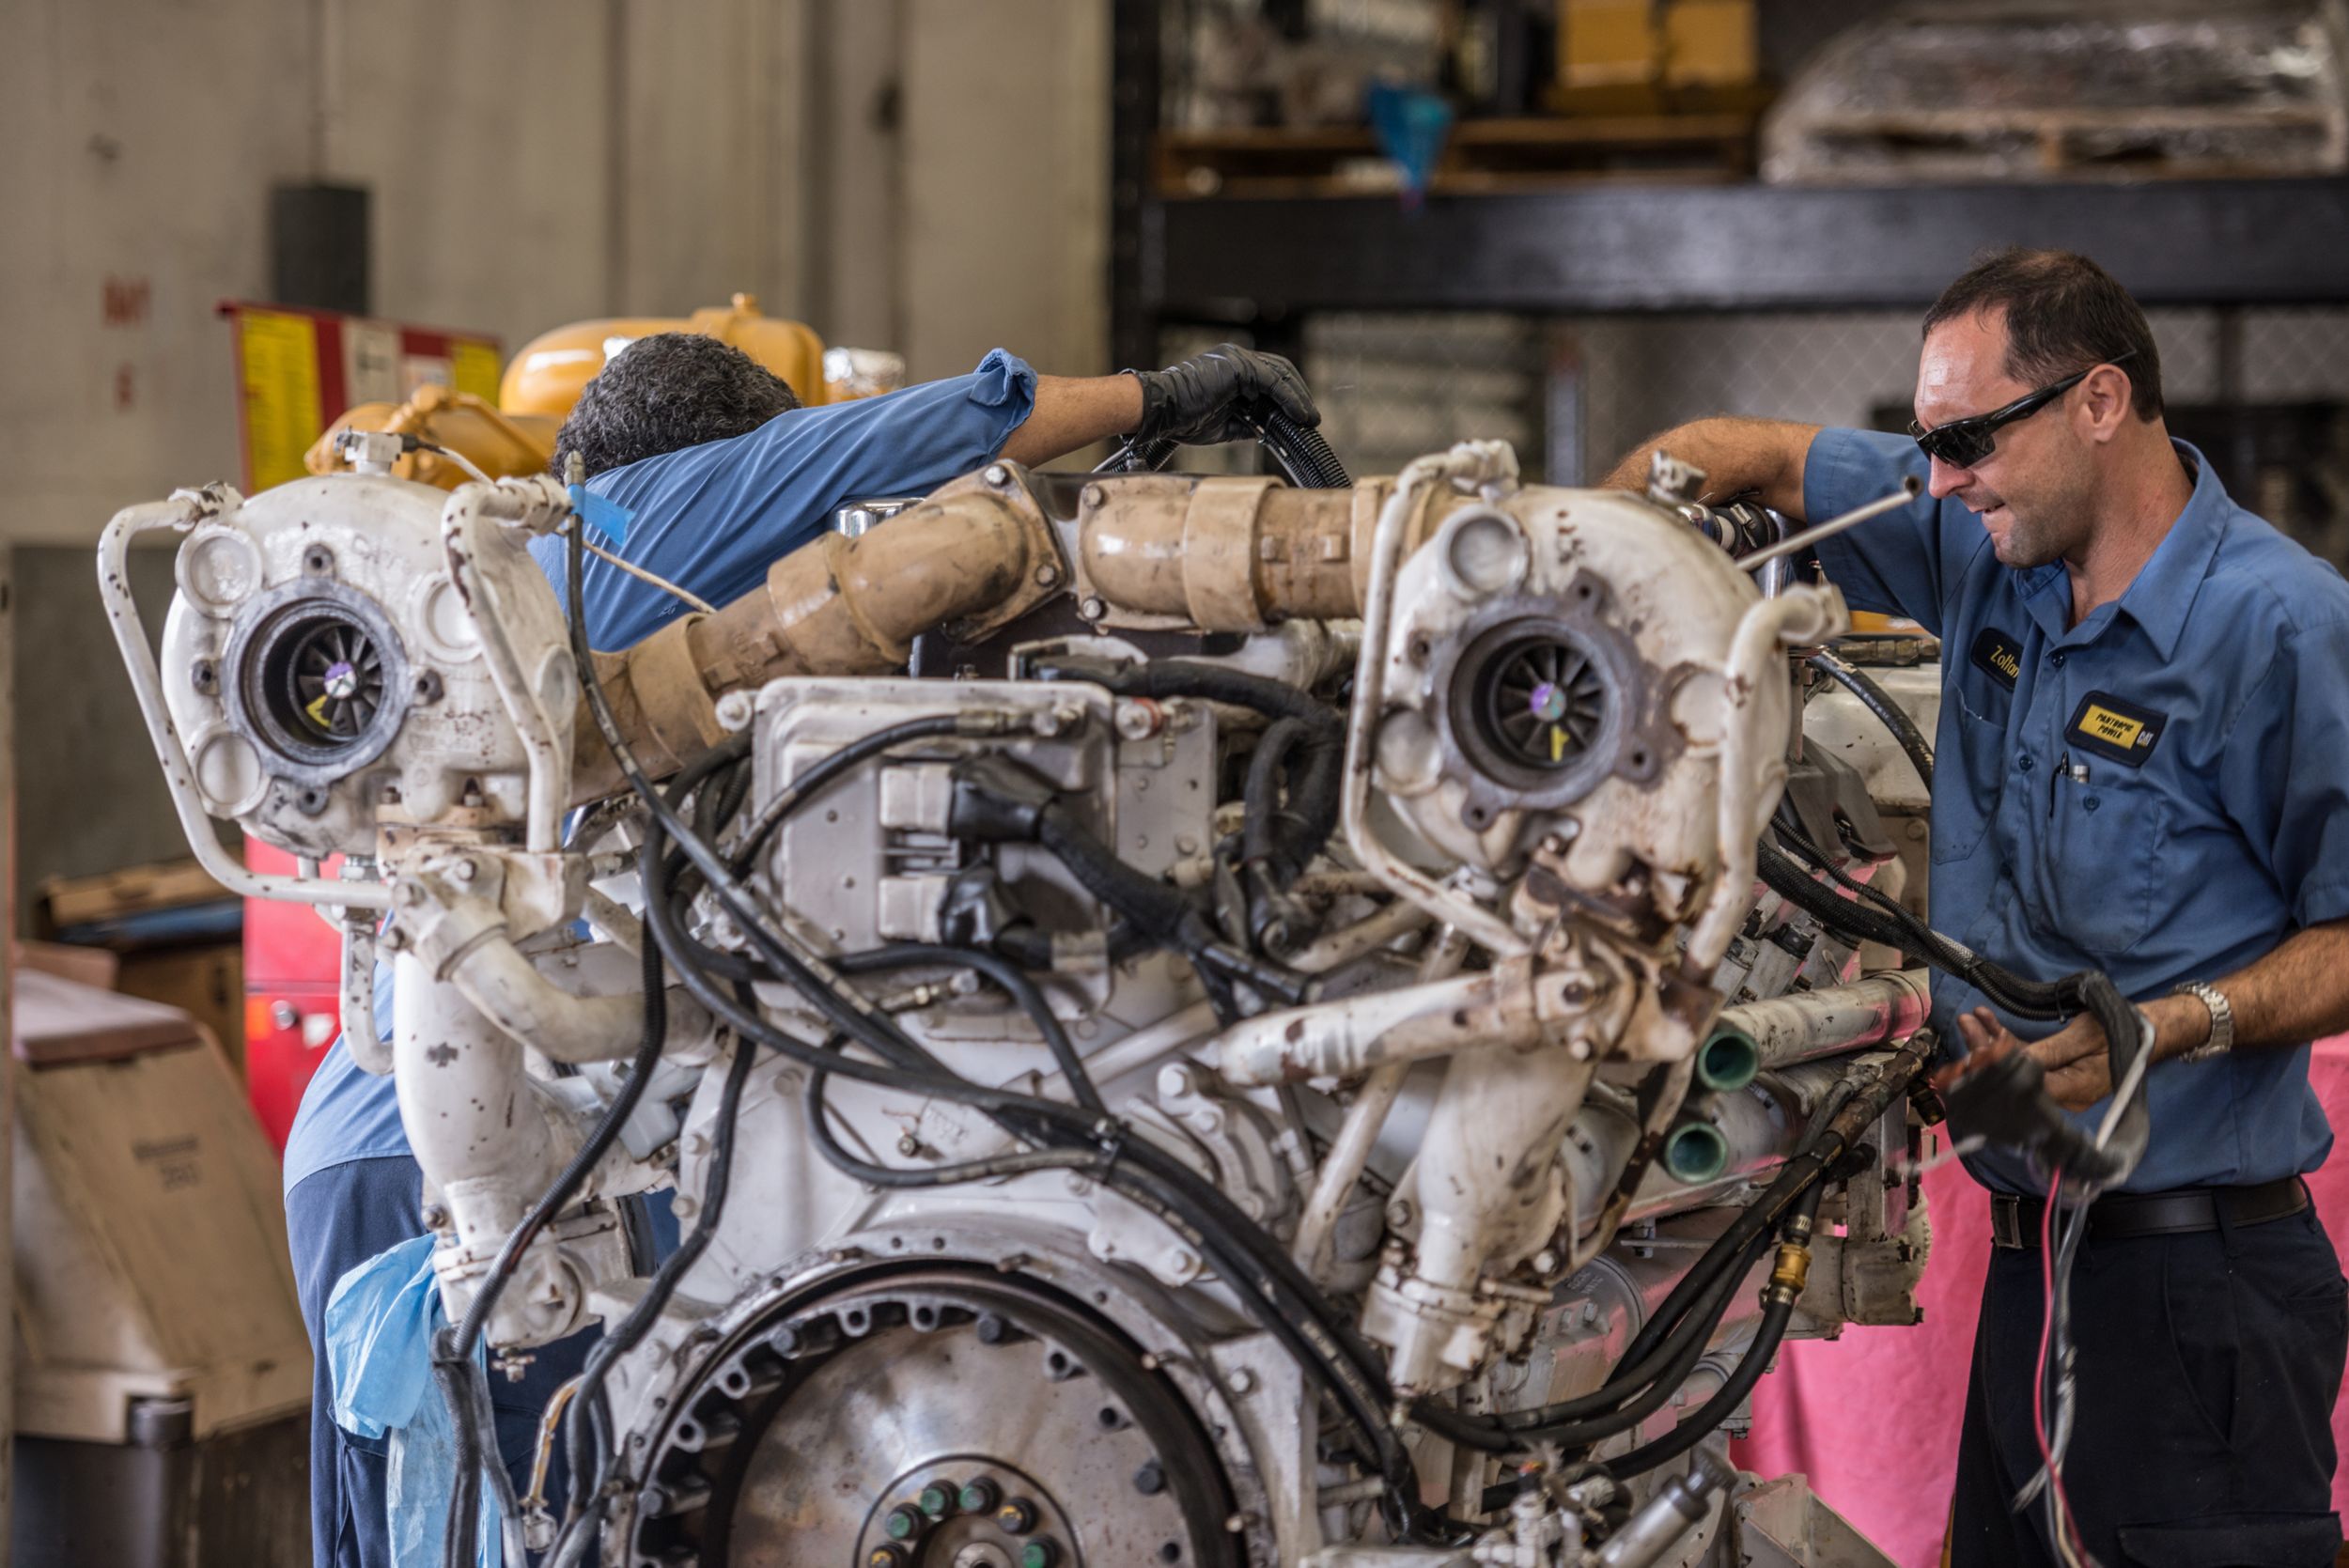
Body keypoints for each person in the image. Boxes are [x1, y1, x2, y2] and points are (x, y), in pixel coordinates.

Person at [282, 335, 1319, 1567]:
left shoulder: (536, 577)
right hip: (470, 1140)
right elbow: (961, 420)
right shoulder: (645, 515)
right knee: (536, 1514)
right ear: (749, 456)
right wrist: (1170, 395)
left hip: (412, 1123)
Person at [1604, 249, 2349, 1567]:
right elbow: (1738, 453)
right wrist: (1558, 573)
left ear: (2099, 401)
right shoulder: (1988, 551)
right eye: (1927, 442)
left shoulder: (2279, 627)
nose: (1939, 479)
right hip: (2028, 1275)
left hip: (2197, 1292)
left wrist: (2167, 1027)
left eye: (1967, 440)